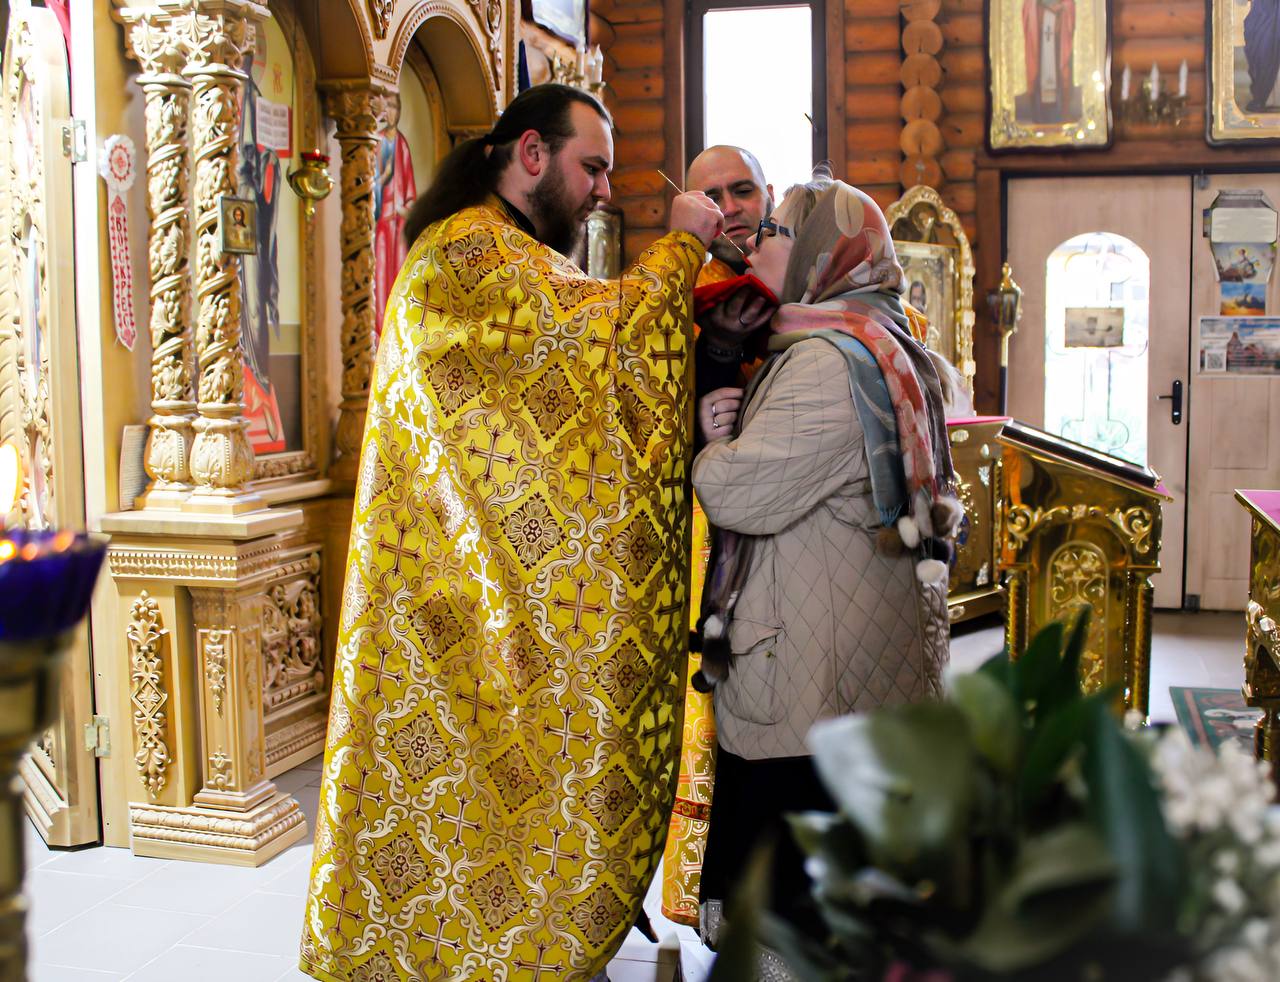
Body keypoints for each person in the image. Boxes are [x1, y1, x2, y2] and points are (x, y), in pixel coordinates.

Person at [300, 83, 723, 982]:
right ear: (531, 154)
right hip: (451, 610)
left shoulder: (481, 251)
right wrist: (684, 240)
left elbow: (549, 424)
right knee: (462, 810)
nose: (604, 189)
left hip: (453, 602)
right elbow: (608, 342)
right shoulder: (470, 253)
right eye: (593, 167)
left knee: (465, 814)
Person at [691, 173, 959, 977]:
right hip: (850, 647)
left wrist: (711, 449)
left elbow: (739, 490)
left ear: (818, 252)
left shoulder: (825, 363)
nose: (759, 241)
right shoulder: (880, 337)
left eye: (776, 231)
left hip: (808, 664)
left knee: (793, 888)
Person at [659, 144, 777, 929]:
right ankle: (710, 897)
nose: (730, 206)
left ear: (767, 197)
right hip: (700, 534)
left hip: (782, 535)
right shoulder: (665, 295)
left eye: (743, 190)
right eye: (713, 193)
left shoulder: (796, 281)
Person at [373, 92, 417, 336]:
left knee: (399, 279)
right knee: (380, 278)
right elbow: (369, 185)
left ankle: (395, 333)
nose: (391, 111)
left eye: (395, 106)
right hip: (382, 222)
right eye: (387, 106)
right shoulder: (377, 141)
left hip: (398, 223)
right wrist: (384, 177)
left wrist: (408, 208)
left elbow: (409, 187)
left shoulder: (402, 144)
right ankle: (380, 335)